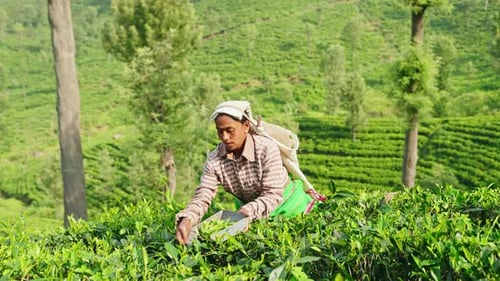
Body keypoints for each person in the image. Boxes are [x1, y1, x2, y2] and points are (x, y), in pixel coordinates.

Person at [175, 101, 316, 245]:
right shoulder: (214, 160)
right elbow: (203, 195)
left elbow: (273, 194)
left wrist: (246, 212)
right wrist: (188, 218)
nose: (224, 137)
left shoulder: (265, 149)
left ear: (246, 126)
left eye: (230, 130)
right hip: (249, 213)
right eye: (219, 131)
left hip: (287, 206)